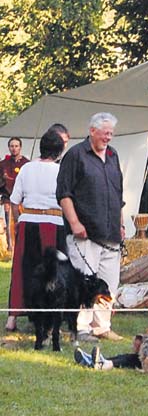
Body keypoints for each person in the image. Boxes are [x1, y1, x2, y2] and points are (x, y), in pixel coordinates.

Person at [56, 112, 125, 342]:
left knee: (109, 282)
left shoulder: (114, 156)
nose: (108, 138)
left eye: (111, 134)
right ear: (92, 131)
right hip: (84, 234)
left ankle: (102, 326)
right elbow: (63, 193)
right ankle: (81, 327)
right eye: (105, 133)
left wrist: (121, 224)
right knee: (84, 282)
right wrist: (74, 223)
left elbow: (118, 194)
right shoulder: (75, 155)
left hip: (111, 233)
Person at [5, 129, 66, 332]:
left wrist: (18, 223)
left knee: (23, 269)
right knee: (52, 271)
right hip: (54, 224)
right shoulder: (60, 171)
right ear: (59, 152)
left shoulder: (27, 168)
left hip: (28, 223)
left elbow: (15, 201)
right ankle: (48, 319)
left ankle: (12, 318)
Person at [1, 137, 29, 252]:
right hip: (9, 198)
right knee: (10, 224)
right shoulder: (3, 164)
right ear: (9, 147)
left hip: (23, 199)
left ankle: (25, 246)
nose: (14, 148)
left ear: (20, 147)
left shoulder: (26, 163)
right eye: (12, 146)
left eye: (16, 146)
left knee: (24, 223)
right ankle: (11, 248)